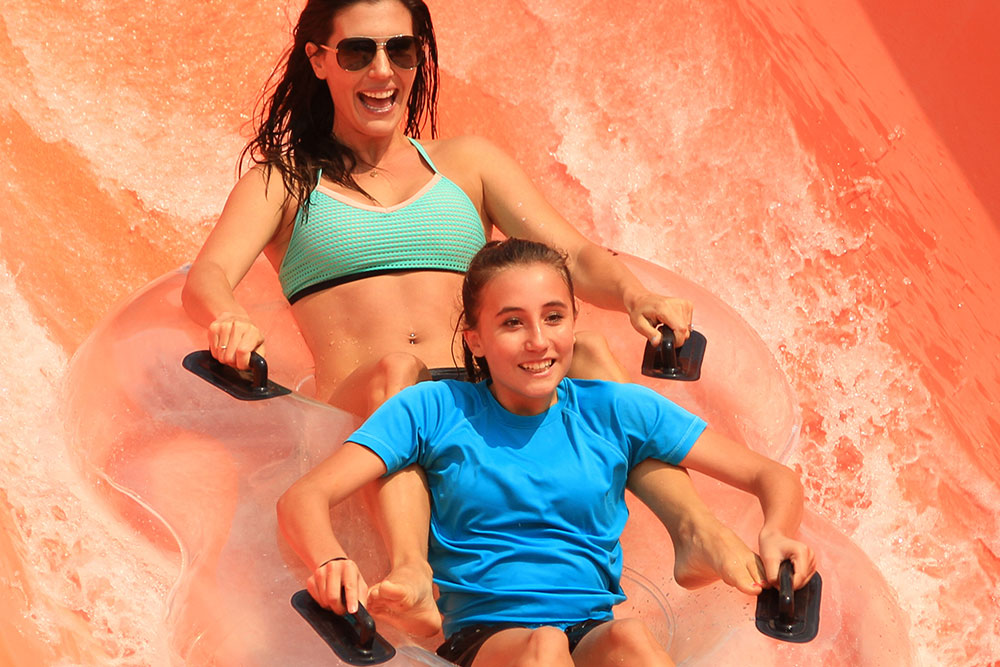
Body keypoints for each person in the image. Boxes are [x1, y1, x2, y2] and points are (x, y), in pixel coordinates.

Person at [181, 0, 762, 637]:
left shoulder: (467, 164)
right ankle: (413, 573)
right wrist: (229, 319)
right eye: (357, 52)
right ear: (320, 60)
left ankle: (695, 530)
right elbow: (207, 278)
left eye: (400, 50)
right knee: (398, 371)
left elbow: (574, 257)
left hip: (472, 401)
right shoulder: (286, 181)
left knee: (589, 355)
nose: (382, 69)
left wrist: (632, 294)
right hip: (362, 407)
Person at [277, 238, 816, 667]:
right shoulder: (435, 408)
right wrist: (330, 560)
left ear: (574, 323)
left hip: (589, 627)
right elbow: (305, 497)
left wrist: (777, 532)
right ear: (476, 339)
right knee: (543, 649)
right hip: (486, 637)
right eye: (512, 323)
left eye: (554, 317)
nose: (538, 341)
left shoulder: (613, 409)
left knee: (633, 640)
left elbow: (772, 477)